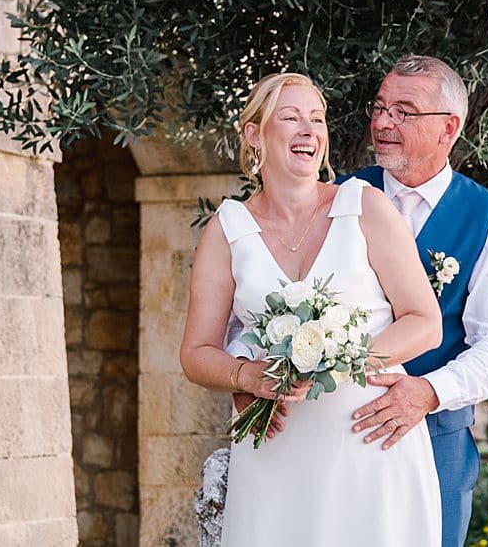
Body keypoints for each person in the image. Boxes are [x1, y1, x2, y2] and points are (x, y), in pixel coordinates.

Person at [180, 72, 445, 547]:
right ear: (254, 134)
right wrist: (247, 376)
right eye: (291, 117)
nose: (309, 130)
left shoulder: (366, 206)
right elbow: (196, 352)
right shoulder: (227, 230)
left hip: (370, 440)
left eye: (317, 119)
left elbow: (425, 322)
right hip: (277, 450)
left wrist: (343, 359)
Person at [345, 55, 488, 547]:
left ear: (449, 127)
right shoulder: (336, 199)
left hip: (435, 437)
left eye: (404, 111)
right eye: (380, 107)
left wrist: (427, 392)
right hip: (336, 428)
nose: (383, 122)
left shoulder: (486, 216)